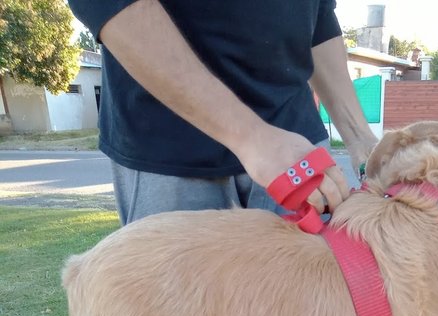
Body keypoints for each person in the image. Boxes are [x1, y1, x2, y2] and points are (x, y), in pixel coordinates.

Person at [67, 0, 378, 224]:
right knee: (183, 315)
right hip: (169, 149)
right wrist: (251, 137)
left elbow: (318, 15)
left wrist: (362, 140)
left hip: (298, 150)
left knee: (316, 313)